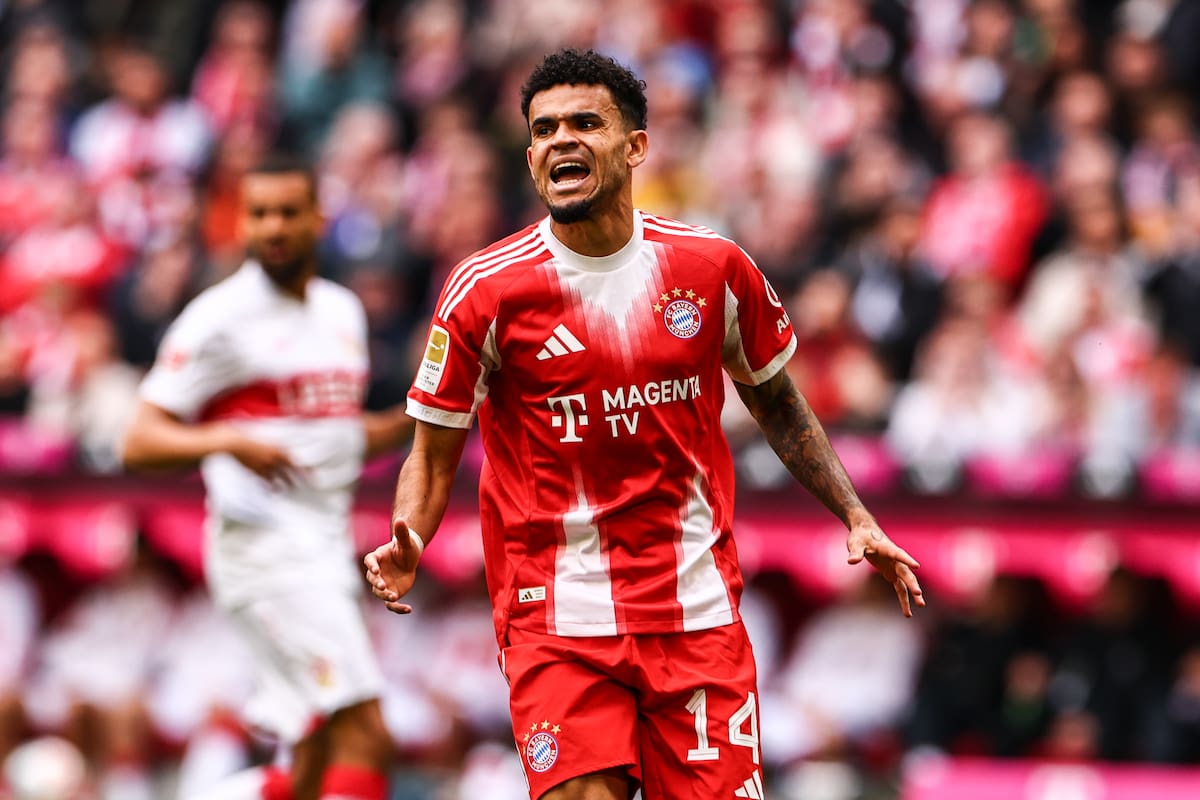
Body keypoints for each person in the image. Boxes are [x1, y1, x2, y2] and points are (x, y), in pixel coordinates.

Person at [365, 48, 923, 800]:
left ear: (635, 146)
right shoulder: (485, 290)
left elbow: (780, 404)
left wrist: (855, 515)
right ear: (530, 155)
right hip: (554, 615)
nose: (562, 139)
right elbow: (432, 455)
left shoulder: (712, 267)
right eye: (545, 128)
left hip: (695, 610)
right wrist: (411, 536)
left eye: (585, 123)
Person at [121, 154, 412, 800]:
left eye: (287, 211)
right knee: (361, 727)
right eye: (259, 214)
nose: (273, 226)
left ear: (318, 218)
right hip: (261, 549)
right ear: (242, 223)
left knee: (313, 740)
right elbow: (138, 439)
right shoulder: (219, 317)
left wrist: (426, 415)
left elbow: (334, 433)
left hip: (324, 547)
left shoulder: (342, 312)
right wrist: (226, 439)